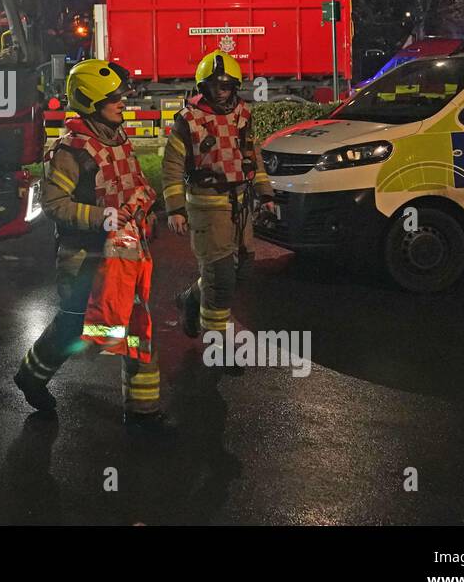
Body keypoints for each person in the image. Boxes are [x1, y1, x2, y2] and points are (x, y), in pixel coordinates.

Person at [15, 59, 165, 427]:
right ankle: (31, 376)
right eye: (112, 98)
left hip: (125, 255)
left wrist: (147, 211)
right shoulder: (71, 151)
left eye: (121, 96)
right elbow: (53, 205)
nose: (122, 103)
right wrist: (102, 218)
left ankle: (144, 411)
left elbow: (134, 184)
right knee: (74, 328)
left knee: (134, 326)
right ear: (89, 101)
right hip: (85, 259)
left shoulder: (119, 137)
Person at [162, 51, 273, 370]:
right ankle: (219, 351)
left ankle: (191, 298)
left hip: (239, 205)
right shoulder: (189, 120)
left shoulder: (243, 115)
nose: (221, 90)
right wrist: (175, 209)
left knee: (241, 271)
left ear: (235, 85)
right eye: (215, 85)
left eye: (226, 85)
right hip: (207, 205)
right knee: (221, 278)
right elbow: (171, 167)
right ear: (204, 86)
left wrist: (265, 194)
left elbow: (253, 156)